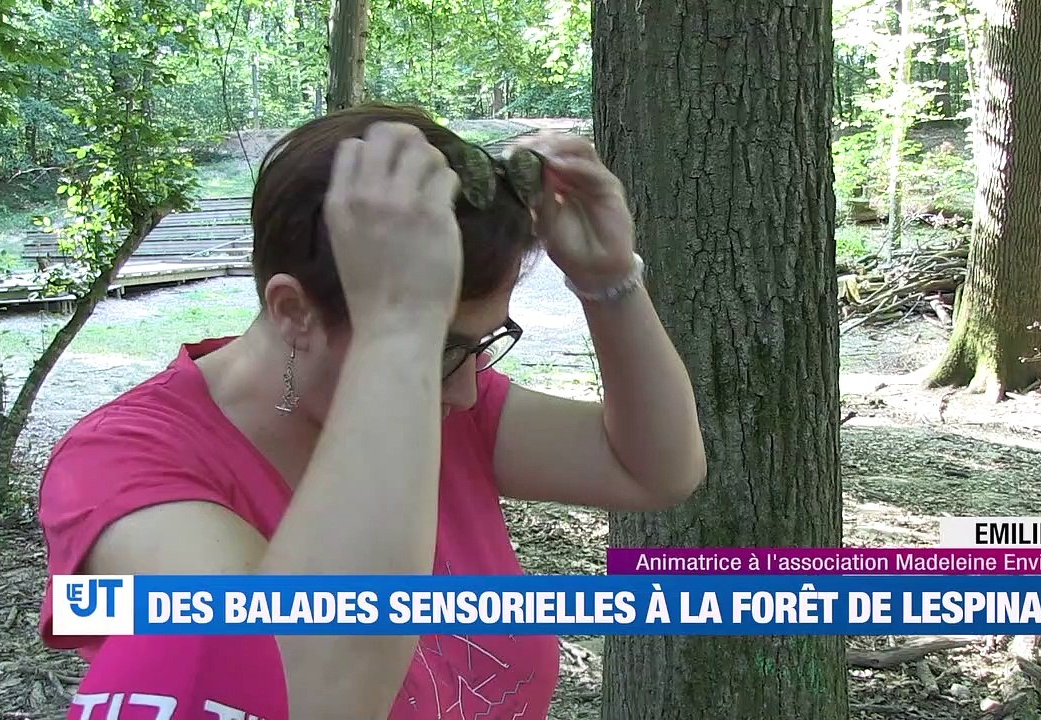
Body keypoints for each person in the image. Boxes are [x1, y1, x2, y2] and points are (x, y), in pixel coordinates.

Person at [36, 103, 707, 720]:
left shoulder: (435, 398)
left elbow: (650, 469)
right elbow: (298, 687)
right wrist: (402, 330)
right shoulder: (123, 466)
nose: (467, 392)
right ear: (293, 311)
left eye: (482, 346)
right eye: (444, 348)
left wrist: (606, 281)